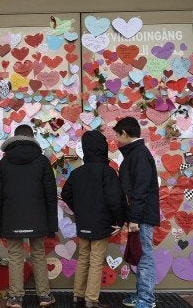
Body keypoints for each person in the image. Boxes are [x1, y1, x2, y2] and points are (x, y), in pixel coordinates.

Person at [0, 124, 58, 307]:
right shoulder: (42, 161)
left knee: (15, 256)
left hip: (12, 217)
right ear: (32, 138)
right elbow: (50, 195)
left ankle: (15, 298)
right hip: (38, 217)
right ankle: (44, 296)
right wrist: (52, 225)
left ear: (15, 138)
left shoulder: (4, 162)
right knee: (38, 254)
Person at [61, 130, 126, 308]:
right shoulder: (108, 172)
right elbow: (115, 200)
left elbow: (66, 193)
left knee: (83, 257)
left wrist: (79, 209)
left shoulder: (77, 173)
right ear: (103, 148)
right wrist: (120, 221)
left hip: (83, 221)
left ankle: (77, 295)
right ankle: (91, 299)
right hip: (102, 222)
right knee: (96, 259)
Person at [113, 117, 160, 308]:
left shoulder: (138, 154)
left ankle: (147, 299)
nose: (116, 139)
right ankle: (141, 294)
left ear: (124, 134)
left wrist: (134, 217)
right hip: (139, 214)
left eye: (117, 134)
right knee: (140, 254)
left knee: (145, 255)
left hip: (141, 216)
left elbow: (141, 189)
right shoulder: (135, 153)